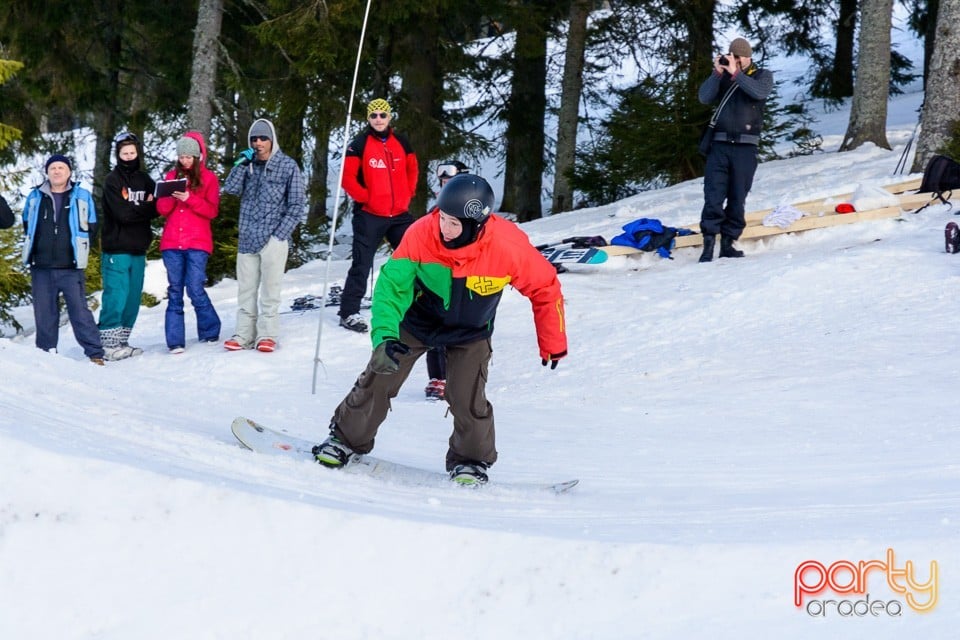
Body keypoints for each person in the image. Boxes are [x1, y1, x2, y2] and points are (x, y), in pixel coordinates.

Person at [312, 174, 568, 486]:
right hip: (418, 321)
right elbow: (391, 287)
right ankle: (344, 440)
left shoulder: (507, 246)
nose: (443, 228)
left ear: (477, 224)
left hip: (470, 331)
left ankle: (471, 461)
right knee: (381, 375)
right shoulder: (422, 233)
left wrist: (552, 341)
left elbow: (545, 287)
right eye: (442, 218)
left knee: (466, 397)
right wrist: (385, 337)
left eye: (453, 223)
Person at [222, 118, 305, 352]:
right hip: (248, 237)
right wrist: (240, 164)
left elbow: (297, 204)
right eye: (254, 139)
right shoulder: (247, 165)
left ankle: (267, 335)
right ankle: (243, 334)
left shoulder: (287, 165)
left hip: (272, 239)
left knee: (270, 290)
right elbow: (230, 189)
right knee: (245, 290)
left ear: (272, 140)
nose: (258, 143)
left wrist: (280, 235)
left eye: (263, 138)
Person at [337, 98, 419, 333]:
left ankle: (416, 304)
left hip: (400, 214)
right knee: (362, 264)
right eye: (374, 116)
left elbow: (412, 168)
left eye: (383, 115)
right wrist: (365, 197)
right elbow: (347, 177)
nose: (379, 119)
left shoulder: (401, 142)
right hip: (370, 215)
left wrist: (409, 192)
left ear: (389, 117)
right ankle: (349, 312)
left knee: (412, 259)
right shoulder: (359, 144)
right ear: (368, 118)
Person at [21, 155, 106, 364]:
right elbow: (27, 223)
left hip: (71, 266)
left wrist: (78, 248)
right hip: (41, 266)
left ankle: (95, 353)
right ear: (47, 172)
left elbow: (92, 226)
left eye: (61, 167)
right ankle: (46, 352)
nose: (57, 171)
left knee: (79, 311)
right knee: (44, 313)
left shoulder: (82, 196)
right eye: (53, 168)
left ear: (69, 172)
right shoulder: (34, 196)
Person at [697, 37, 773, 262]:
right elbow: (704, 97)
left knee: (738, 196)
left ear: (748, 57)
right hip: (719, 145)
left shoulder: (762, 75)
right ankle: (709, 243)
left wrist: (737, 74)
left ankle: (729, 242)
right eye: (733, 57)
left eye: (738, 58)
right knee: (713, 195)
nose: (735, 62)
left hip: (745, 147)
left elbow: (759, 92)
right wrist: (717, 73)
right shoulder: (725, 77)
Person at [156, 132, 222, 353]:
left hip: (197, 242)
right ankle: (175, 340)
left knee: (194, 287)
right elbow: (162, 210)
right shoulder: (172, 175)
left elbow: (212, 211)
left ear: (197, 156)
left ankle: (210, 331)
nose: (184, 160)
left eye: (188, 156)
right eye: (181, 156)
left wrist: (189, 198)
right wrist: (170, 195)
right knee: (175, 290)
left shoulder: (209, 178)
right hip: (172, 243)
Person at [98, 131, 157, 360]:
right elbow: (122, 214)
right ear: (118, 154)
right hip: (117, 247)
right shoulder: (113, 181)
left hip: (139, 247)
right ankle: (107, 343)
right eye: (125, 153)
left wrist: (143, 208)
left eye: (132, 152)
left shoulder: (144, 179)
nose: (129, 156)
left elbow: (157, 207)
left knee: (133, 297)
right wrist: (145, 207)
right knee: (116, 295)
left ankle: (122, 340)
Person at [423, 160, 470, 401]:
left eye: (450, 182)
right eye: (442, 182)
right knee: (436, 325)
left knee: (464, 329)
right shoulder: (434, 213)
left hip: (466, 279)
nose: (445, 186)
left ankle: (462, 376)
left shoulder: (473, 209)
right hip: (438, 278)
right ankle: (438, 377)